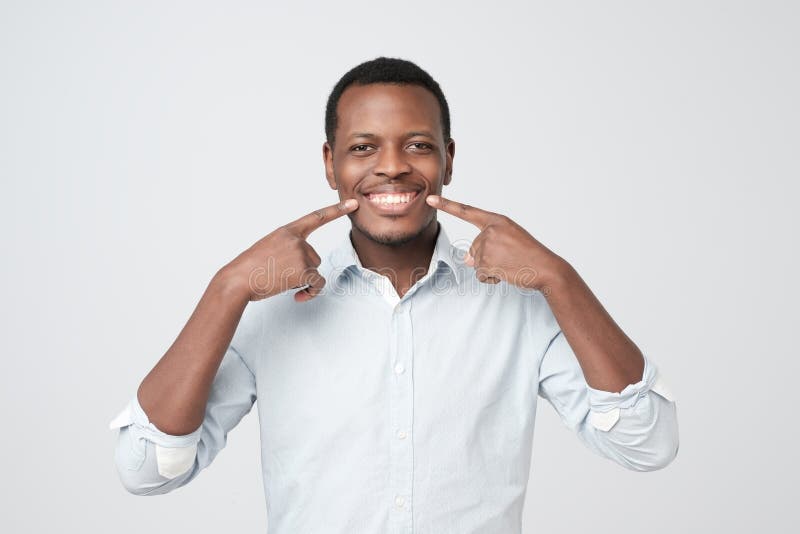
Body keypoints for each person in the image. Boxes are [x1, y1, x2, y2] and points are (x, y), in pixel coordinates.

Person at [109, 56, 679, 532]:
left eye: (417, 145)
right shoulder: (266, 310)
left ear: (448, 159)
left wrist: (560, 277)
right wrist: (226, 288)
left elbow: (646, 442)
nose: (392, 168)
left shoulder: (519, 303)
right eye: (362, 148)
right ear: (330, 164)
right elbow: (149, 468)